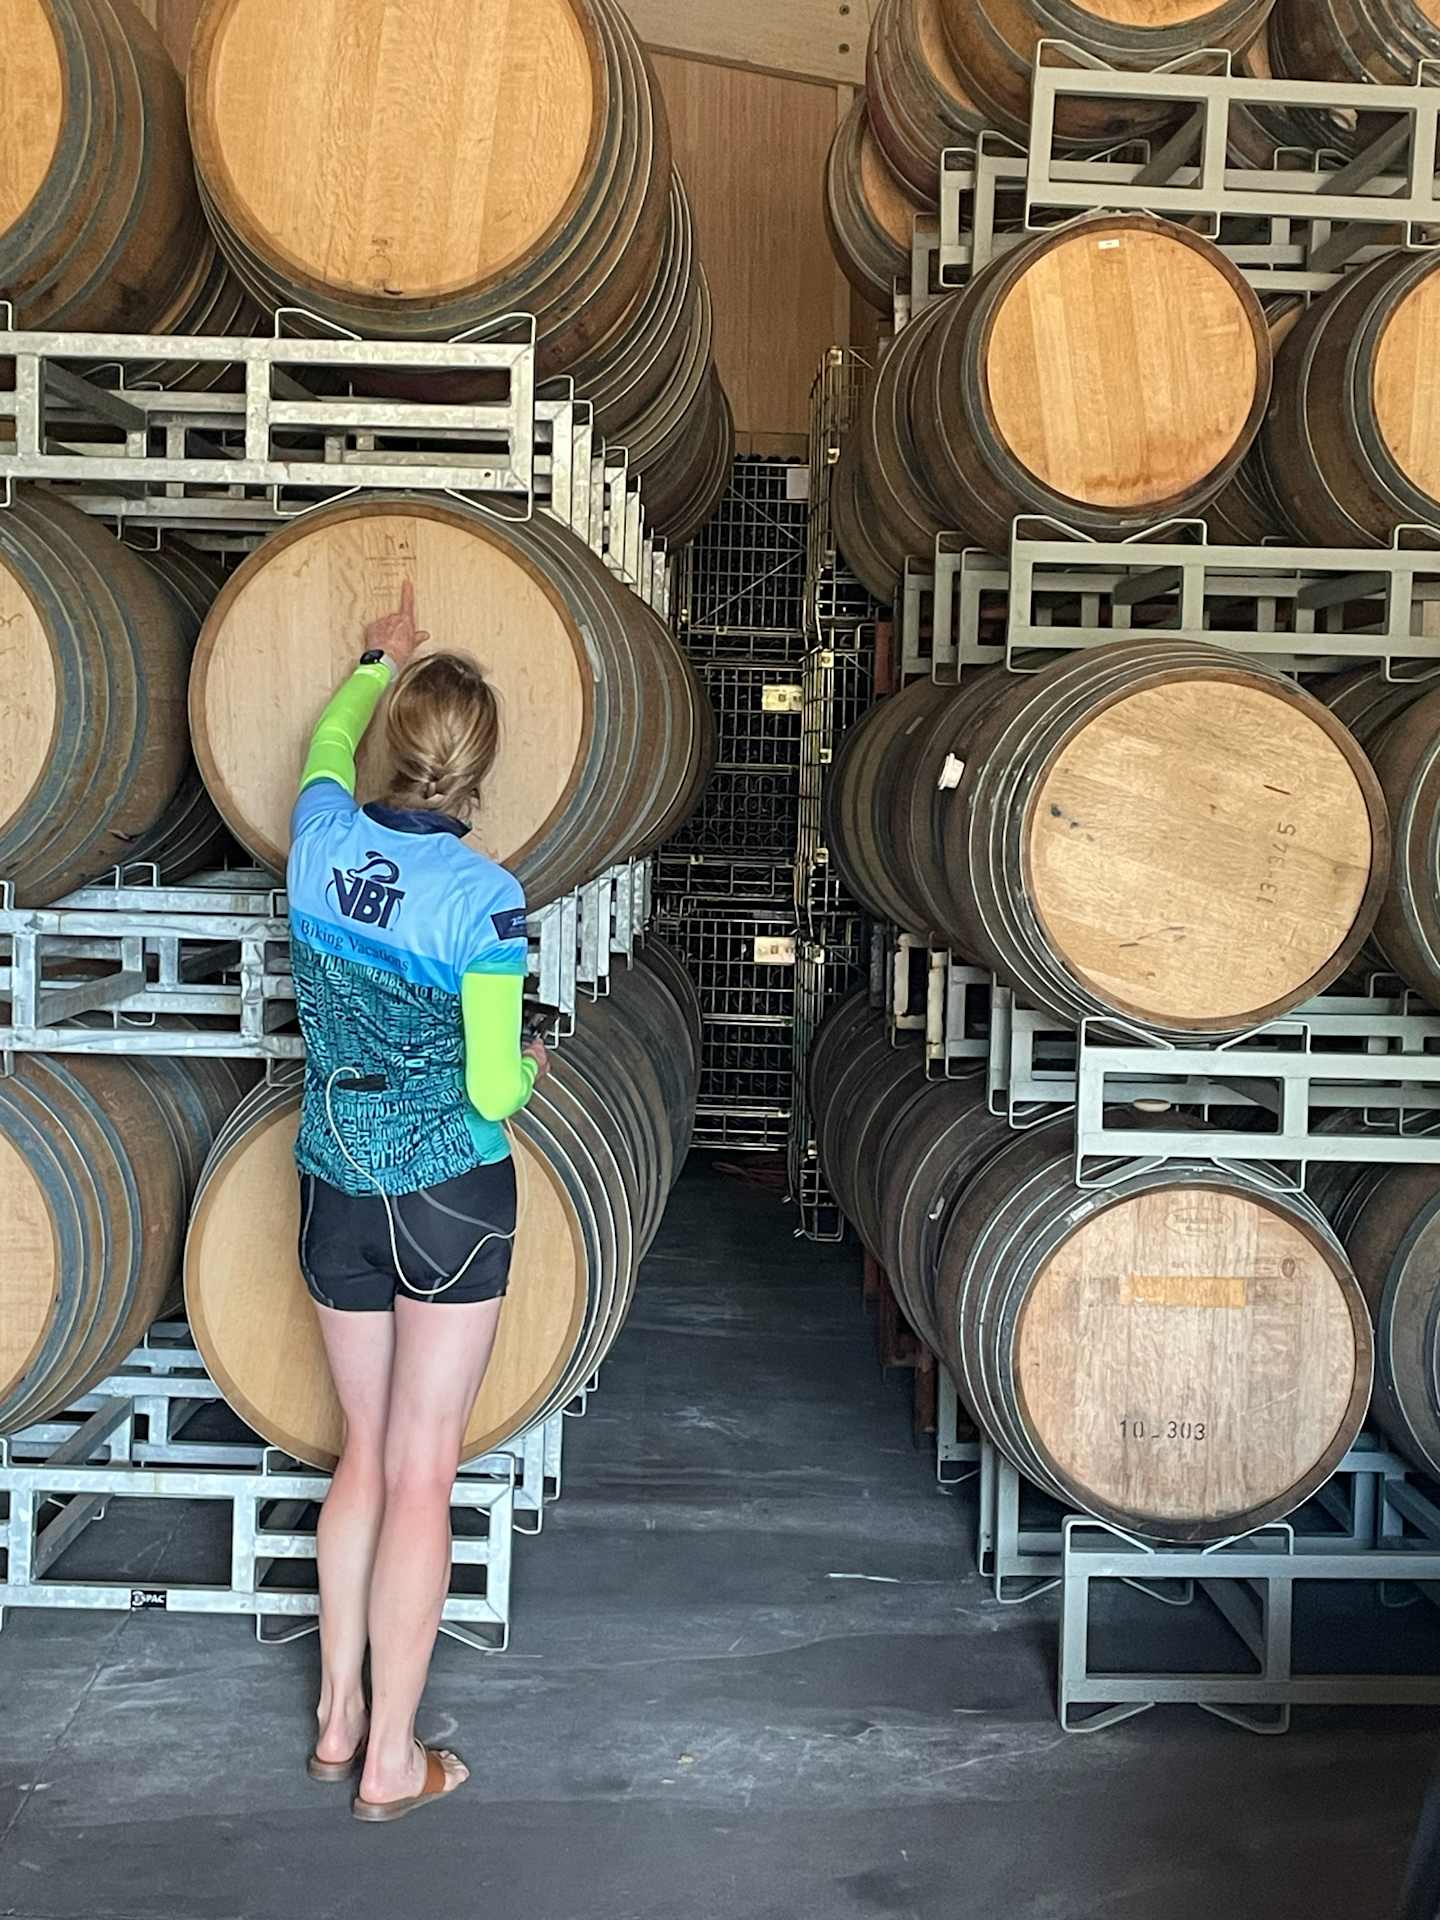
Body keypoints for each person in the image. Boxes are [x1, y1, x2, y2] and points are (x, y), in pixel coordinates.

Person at [285, 584, 547, 1824]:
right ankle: (395, 1756)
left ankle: (336, 1716)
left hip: (334, 1175)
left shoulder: (319, 839)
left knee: (360, 1459)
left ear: (399, 743)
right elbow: (494, 1084)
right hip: (448, 1193)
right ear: (479, 771)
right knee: (423, 1472)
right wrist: (531, 1070)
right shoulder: (485, 899)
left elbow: (327, 751)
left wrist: (369, 663)